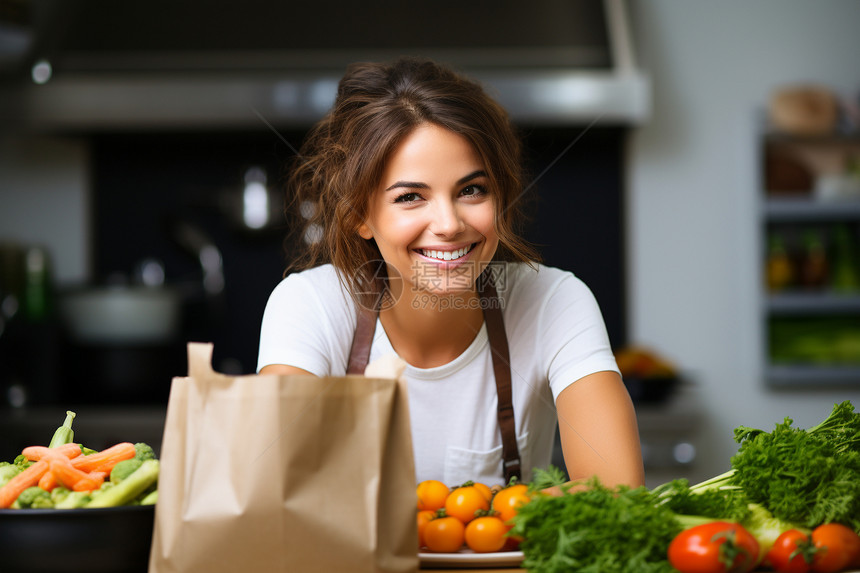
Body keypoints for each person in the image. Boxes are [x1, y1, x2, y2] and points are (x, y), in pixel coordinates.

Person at [257, 57, 644, 489]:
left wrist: (466, 522)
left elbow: (616, 488)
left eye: (471, 190)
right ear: (358, 216)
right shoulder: (309, 305)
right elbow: (275, 486)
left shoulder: (555, 301)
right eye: (410, 197)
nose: (448, 223)